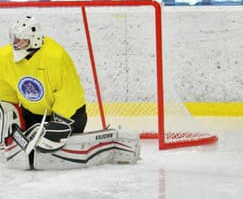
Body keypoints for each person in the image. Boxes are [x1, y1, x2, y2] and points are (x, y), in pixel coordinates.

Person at [0, 15, 140, 170]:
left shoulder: (55, 57)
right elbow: (5, 94)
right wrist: (11, 120)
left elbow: (69, 94)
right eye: (14, 39)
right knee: (35, 150)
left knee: (50, 149)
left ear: (34, 40)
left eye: (21, 40)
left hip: (70, 115)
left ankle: (107, 143)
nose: (16, 44)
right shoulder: (4, 57)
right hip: (33, 114)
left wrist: (59, 124)